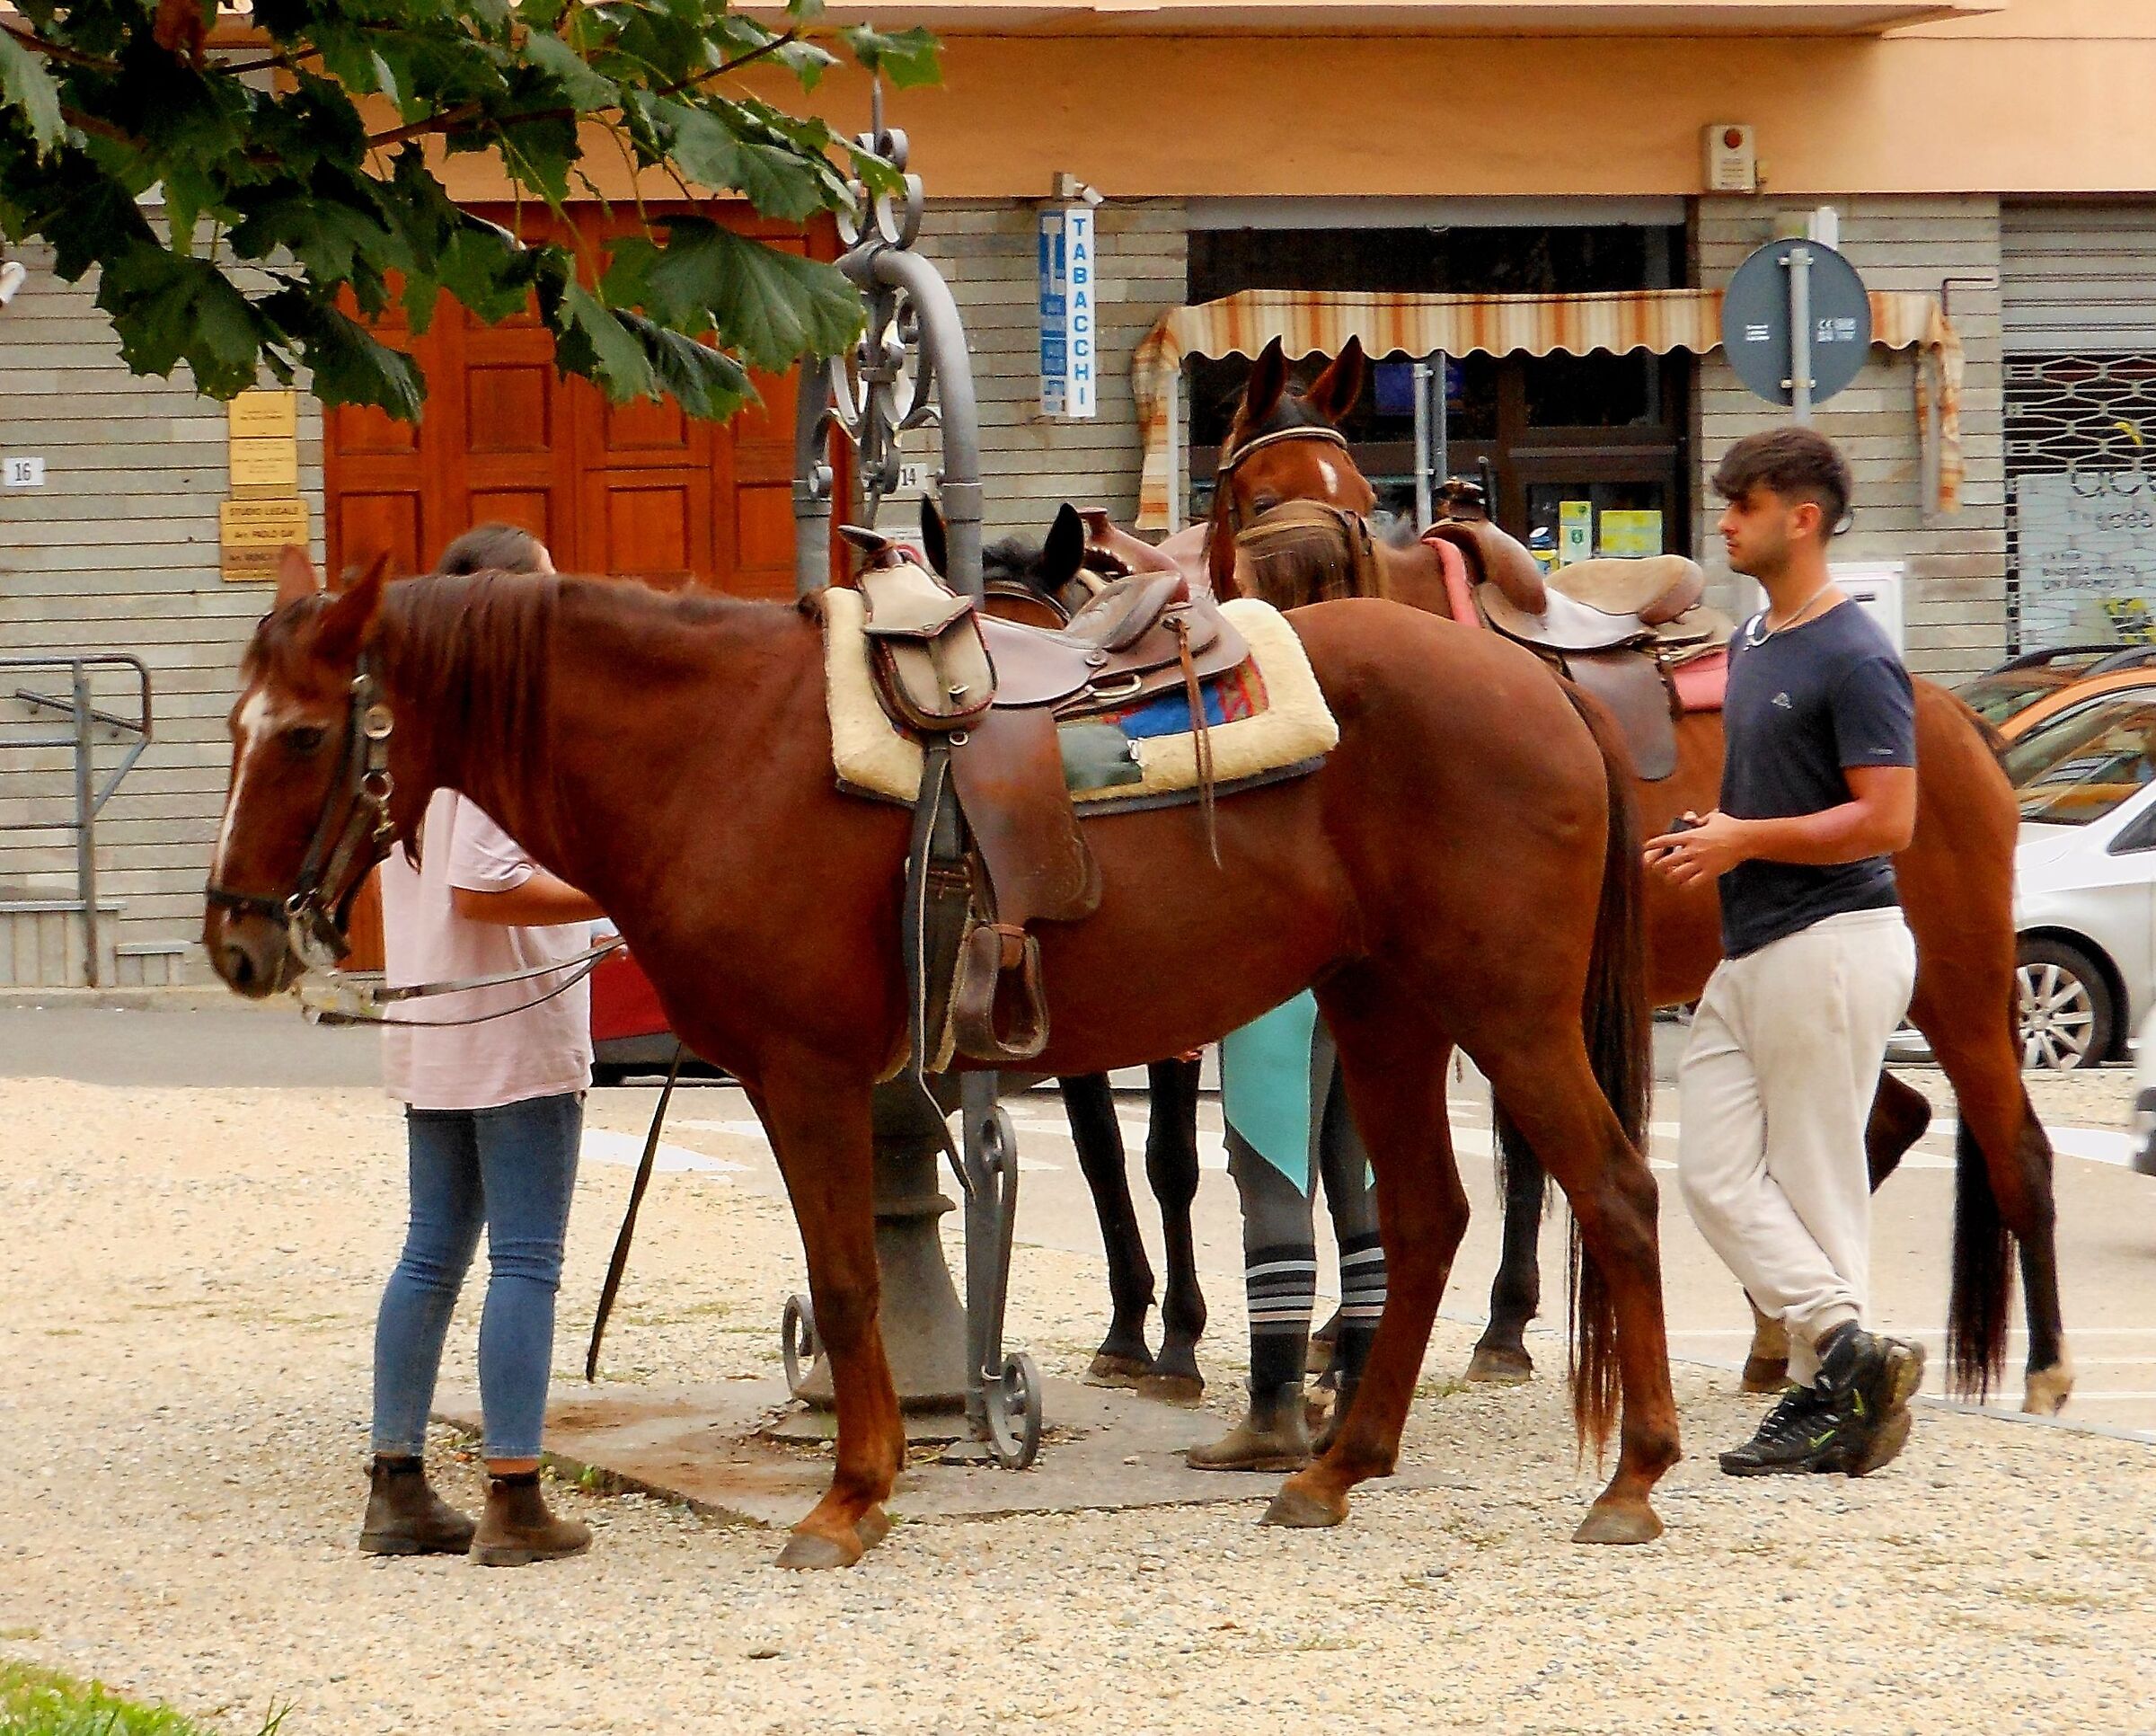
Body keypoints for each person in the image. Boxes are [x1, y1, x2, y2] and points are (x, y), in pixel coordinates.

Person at [1646, 428, 1925, 1478]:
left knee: (1814, 1184)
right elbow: (1783, 800)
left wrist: (1744, 839)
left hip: (1835, 944)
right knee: (1715, 1176)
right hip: (1755, 946)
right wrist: (1715, 836)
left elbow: (1889, 820)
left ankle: (1834, 1402)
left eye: (1742, 505)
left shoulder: (1857, 654)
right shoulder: (1760, 640)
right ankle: (1852, 1355)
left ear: (1800, 518)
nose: (1722, 523)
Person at [360, 523, 608, 1565]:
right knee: (526, 1261)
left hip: (436, 1018)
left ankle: (398, 1483)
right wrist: (622, 897)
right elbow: (489, 883)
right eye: (548, 595)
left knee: (432, 1252)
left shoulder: (409, 724)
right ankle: (513, 1494)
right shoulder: (497, 730)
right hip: (509, 1020)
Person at [1186, 994, 1386, 1471]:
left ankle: (1274, 1416)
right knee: (1365, 1202)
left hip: (1279, 987)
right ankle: (1364, 1409)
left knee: (1276, 1189)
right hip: (1375, 986)